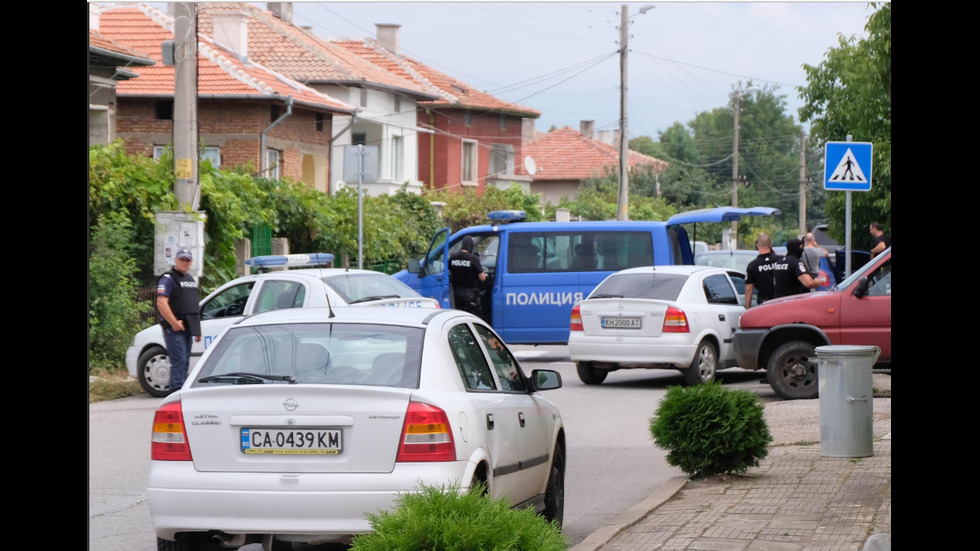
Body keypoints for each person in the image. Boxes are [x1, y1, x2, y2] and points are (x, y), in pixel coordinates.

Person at [156, 248, 202, 394]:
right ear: (175, 260)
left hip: (188, 328)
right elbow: (161, 303)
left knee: (185, 361)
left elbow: (193, 305)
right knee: (179, 361)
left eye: (187, 260)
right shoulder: (168, 278)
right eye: (181, 259)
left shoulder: (189, 279)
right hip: (174, 329)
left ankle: (181, 393)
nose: (184, 262)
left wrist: (197, 329)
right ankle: (176, 394)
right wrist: (174, 323)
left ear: (191, 262)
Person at [448, 236, 486, 317]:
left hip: (456, 294)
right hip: (470, 296)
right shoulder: (473, 258)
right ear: (471, 246)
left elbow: (448, 272)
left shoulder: (453, 257)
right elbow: (482, 278)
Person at [744, 233, 778, 307]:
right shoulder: (780, 260)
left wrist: (747, 308)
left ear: (757, 246)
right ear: (771, 245)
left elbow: (749, 290)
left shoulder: (752, 266)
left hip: (764, 304)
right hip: (781, 301)